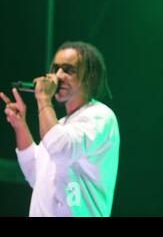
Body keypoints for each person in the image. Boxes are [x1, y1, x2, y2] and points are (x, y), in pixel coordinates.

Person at [1, 41, 120, 217]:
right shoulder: (61, 125)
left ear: (89, 76)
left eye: (68, 69)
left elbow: (62, 148)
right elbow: (36, 174)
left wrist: (43, 99)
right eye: (55, 68)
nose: (57, 76)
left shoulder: (100, 116)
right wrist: (21, 126)